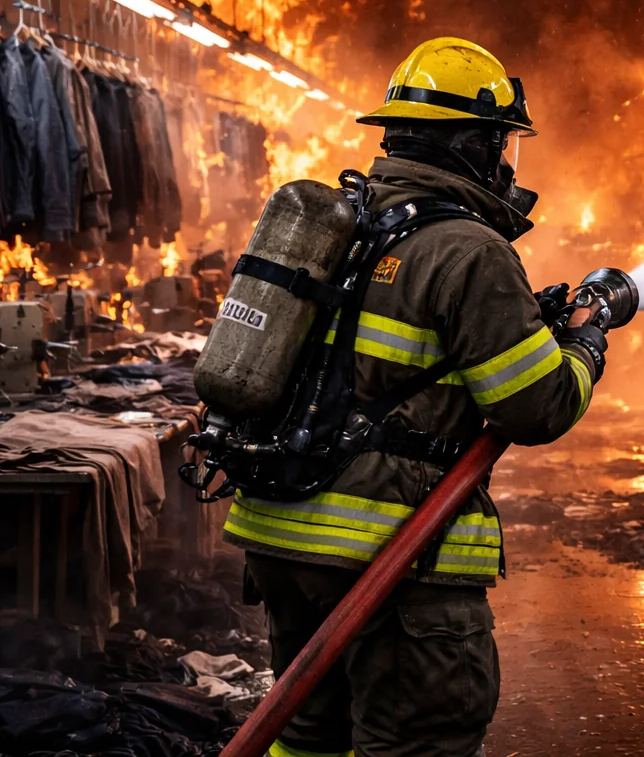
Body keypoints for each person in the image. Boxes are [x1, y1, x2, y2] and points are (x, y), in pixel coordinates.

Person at [223, 37, 607, 757]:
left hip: (282, 539)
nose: (505, 163)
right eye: (501, 144)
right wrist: (584, 348)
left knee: (307, 733)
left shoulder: (340, 224)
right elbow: (535, 404)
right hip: (384, 553)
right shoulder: (469, 250)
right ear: (474, 143)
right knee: (418, 739)